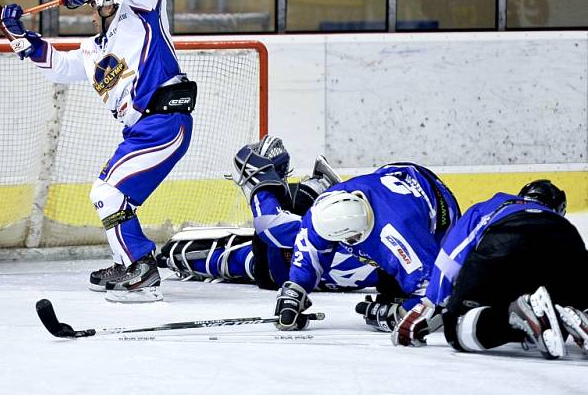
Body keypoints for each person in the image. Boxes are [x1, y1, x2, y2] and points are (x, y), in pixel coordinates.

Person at [0, 0, 196, 303]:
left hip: (165, 123)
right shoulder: (91, 52)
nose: (90, 16)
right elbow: (57, 66)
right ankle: (126, 262)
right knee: (112, 197)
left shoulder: (143, 18)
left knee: (108, 193)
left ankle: (141, 269)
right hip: (141, 132)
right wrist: (16, 32)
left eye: (93, 8)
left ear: (110, 5)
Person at [227, 136, 461, 331]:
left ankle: (308, 187)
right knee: (275, 247)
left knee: (396, 286)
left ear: (359, 234)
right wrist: (294, 291)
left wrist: (398, 313)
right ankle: (312, 187)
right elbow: (306, 247)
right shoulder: (324, 210)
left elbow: (436, 296)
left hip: (439, 221)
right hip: (394, 182)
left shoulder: (397, 237)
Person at [392, 180, 588, 359]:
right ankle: (570, 315)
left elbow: (454, 252)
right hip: (565, 242)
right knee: (555, 319)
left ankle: (516, 315)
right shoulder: (561, 221)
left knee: (458, 325)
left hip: (506, 238)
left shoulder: (496, 204)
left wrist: (431, 302)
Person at [156, 142, 382, 293]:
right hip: (290, 262)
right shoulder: (401, 256)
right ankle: (310, 191)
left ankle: (308, 191)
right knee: (252, 254)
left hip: (281, 267)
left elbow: (271, 226)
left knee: (255, 252)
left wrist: (258, 182)